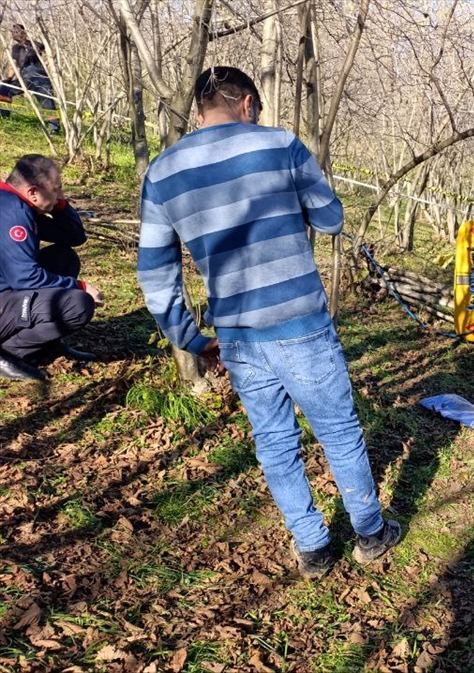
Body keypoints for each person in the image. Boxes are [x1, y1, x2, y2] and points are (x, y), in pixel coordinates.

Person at [136, 66, 400, 579]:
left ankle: (314, 548)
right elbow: (331, 219)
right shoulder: (280, 145)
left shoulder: (163, 172)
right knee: (338, 430)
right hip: (299, 319)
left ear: (198, 111)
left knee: (275, 440)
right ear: (249, 104)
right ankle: (369, 532)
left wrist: (187, 337)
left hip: (235, 333)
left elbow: (153, 271)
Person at [0, 155, 100, 381]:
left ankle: (47, 343)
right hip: (7, 291)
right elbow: (24, 278)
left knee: (64, 258)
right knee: (78, 304)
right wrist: (80, 286)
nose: (59, 196)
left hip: (7, 287)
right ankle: (10, 353)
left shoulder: (17, 202)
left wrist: (60, 204)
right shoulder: (12, 212)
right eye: (56, 190)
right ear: (33, 192)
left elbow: (73, 236)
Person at [0, 25, 59, 134]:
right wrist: (8, 79)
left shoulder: (36, 44)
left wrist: (46, 65)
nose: (15, 33)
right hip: (24, 78)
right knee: (3, 90)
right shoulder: (15, 48)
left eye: (17, 31)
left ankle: (54, 129)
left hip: (40, 77)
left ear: (23, 32)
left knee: (47, 102)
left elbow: (52, 54)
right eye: (13, 32)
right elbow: (14, 65)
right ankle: (5, 118)